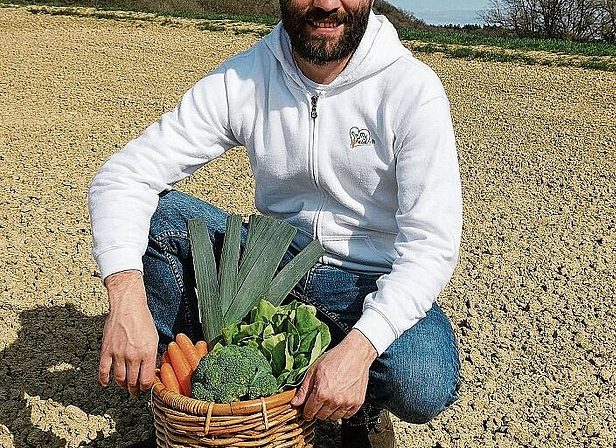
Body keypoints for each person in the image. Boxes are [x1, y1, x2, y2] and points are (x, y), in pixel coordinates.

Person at [88, 0, 462, 446]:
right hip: (270, 261)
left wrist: (361, 349)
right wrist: (126, 299)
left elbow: (432, 245)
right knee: (159, 218)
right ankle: (194, 394)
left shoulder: (411, 90)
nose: (326, 4)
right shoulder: (246, 77)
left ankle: (359, 405)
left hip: (368, 279)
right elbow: (123, 176)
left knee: (422, 378)